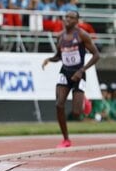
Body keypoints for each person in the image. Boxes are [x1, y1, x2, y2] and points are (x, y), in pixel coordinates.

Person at [42, 10, 100, 148]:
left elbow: (96, 55)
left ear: (77, 21)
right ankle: (66, 139)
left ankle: (85, 101)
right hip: (65, 72)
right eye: (66, 17)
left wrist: (81, 70)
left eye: (71, 17)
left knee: (76, 112)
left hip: (79, 73)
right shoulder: (60, 36)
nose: (67, 19)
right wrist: (49, 59)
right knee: (59, 104)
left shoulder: (82, 35)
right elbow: (59, 56)